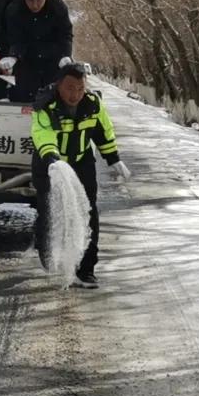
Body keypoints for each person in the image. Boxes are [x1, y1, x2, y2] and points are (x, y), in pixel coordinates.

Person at [30, 64, 131, 289]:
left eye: (80, 88)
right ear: (59, 86)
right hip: (50, 164)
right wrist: (52, 160)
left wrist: (113, 158)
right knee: (50, 211)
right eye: (69, 88)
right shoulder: (46, 106)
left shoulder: (93, 105)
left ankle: (86, 270)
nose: (75, 94)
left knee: (88, 213)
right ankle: (46, 247)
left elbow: (103, 131)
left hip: (82, 162)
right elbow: (42, 134)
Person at [0, 0, 74, 102]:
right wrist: (13, 55)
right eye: (30, 0)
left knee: (53, 99)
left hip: (53, 61)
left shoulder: (58, 7)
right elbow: (15, 38)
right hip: (27, 61)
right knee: (25, 98)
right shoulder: (14, 9)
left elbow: (65, 34)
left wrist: (65, 55)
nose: (34, 5)